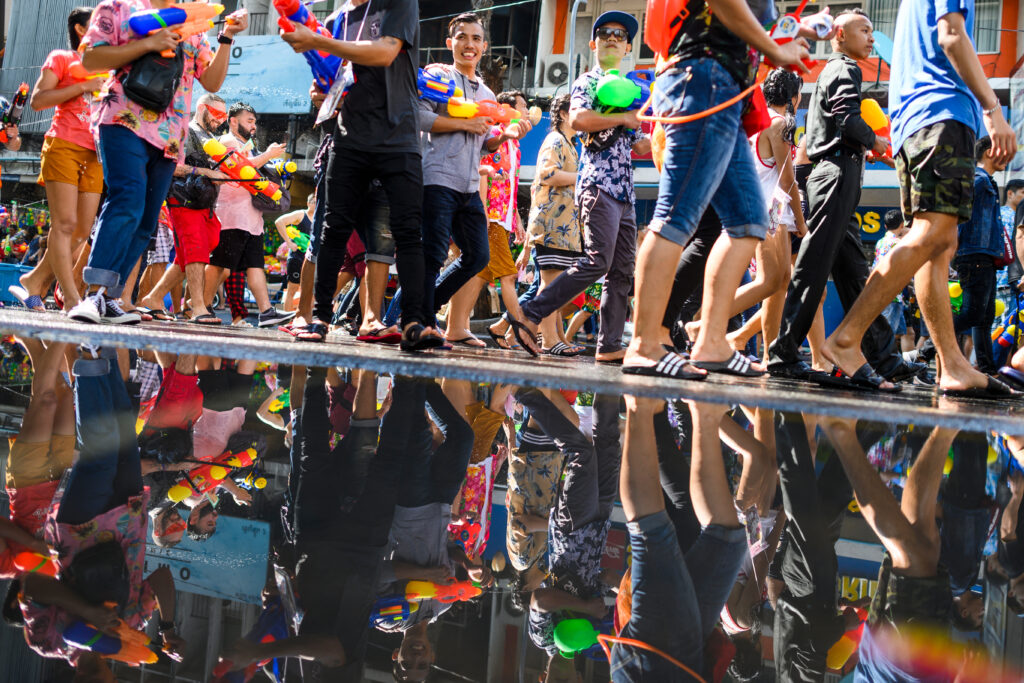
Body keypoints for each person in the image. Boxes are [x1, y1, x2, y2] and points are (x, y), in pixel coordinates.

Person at [821, 0, 1017, 398]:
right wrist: (993, 108)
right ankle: (847, 338)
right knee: (932, 234)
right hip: (941, 113)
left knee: (940, 244)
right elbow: (952, 35)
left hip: (919, 118)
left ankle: (951, 364)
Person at [624, 1, 809, 380]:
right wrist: (777, 50)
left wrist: (780, 38)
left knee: (748, 220)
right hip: (703, 79)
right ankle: (643, 344)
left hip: (726, 92)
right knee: (676, 216)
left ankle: (711, 341)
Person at [68, 0, 247, 324]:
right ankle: (93, 293)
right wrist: (149, 43)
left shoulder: (194, 22)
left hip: (169, 138)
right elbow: (92, 57)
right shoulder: (119, 8)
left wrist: (226, 37)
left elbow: (212, 82)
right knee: (128, 200)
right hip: (124, 120)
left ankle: (110, 297)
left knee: (147, 220)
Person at [766, 10, 914, 392]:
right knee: (814, 267)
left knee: (854, 274)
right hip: (835, 173)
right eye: (863, 30)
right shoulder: (845, 68)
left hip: (837, 173)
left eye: (870, 30)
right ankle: (783, 353)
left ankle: (885, 357)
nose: (870, 37)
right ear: (839, 35)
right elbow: (848, 119)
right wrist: (876, 140)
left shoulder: (835, 70)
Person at [280, 0, 437, 350]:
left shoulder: (400, 4)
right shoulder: (336, 19)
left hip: (399, 136)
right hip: (349, 138)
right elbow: (329, 75)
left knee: (408, 231)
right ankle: (319, 317)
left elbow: (385, 52)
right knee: (332, 230)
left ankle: (413, 321)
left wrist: (318, 42)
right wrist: (321, 90)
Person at [519, 12, 649, 365]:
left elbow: (639, 145)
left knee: (622, 270)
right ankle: (530, 313)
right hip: (598, 185)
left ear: (627, 47)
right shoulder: (588, 82)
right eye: (605, 33)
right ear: (594, 44)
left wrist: (661, 131)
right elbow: (578, 120)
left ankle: (608, 345)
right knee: (596, 261)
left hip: (625, 192)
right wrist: (623, 118)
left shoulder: (630, 92)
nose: (612, 38)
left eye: (619, 35)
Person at [417, 13, 536, 353]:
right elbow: (419, 116)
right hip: (437, 179)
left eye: (476, 39)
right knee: (433, 254)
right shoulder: (438, 76)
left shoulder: (486, 91)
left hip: (469, 187)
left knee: (478, 257)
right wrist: (463, 124)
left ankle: (420, 312)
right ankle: (421, 321)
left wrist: (504, 135)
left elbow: (485, 142)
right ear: (449, 43)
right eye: (462, 37)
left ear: (484, 46)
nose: (469, 44)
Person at [609, 397, 747, 681]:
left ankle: (639, 399)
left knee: (655, 531)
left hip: (657, 669)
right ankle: (701, 411)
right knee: (728, 539)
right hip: (680, 662)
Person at [13, 7, 100, 314]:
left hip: (97, 153)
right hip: (63, 144)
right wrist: (81, 87)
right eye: (99, 24)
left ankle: (34, 281)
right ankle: (71, 298)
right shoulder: (62, 58)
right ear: (80, 28)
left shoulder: (110, 66)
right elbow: (37, 101)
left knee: (80, 231)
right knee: (65, 224)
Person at [443, 90, 533, 348]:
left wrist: (515, 218)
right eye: (522, 106)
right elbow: (482, 170)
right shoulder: (495, 134)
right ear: (505, 108)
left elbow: (511, 186)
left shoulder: (514, 143)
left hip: (502, 218)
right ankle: (520, 332)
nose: (526, 111)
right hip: (490, 217)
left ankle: (456, 327)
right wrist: (480, 210)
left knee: (479, 275)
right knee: (507, 275)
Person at [494, 94, 581, 354]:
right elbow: (547, 174)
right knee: (550, 284)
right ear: (564, 114)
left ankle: (548, 338)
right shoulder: (556, 140)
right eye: (577, 110)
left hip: (563, 224)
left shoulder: (569, 142)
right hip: (552, 222)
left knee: (554, 284)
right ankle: (550, 339)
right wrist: (582, 176)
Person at [138, 94, 230, 324]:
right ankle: (197, 307)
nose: (221, 120)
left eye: (224, 116)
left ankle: (154, 298)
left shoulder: (209, 136)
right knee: (196, 250)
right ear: (202, 108)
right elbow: (173, 166)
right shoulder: (185, 130)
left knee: (201, 246)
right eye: (217, 114)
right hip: (183, 200)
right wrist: (209, 173)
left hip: (204, 203)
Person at [204, 101, 293, 327]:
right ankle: (201, 307)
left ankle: (266, 312)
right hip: (231, 216)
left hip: (252, 218)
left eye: (254, 122)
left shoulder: (249, 145)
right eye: (249, 121)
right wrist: (267, 154)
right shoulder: (226, 141)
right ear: (233, 121)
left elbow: (253, 166)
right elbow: (240, 170)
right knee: (219, 266)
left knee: (255, 266)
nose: (253, 126)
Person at [950, 137, 1007, 375]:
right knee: (973, 313)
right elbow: (960, 217)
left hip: (984, 255)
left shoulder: (986, 181)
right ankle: (926, 349)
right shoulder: (978, 180)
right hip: (974, 253)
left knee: (985, 317)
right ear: (989, 152)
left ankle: (987, 369)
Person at [275, 192, 316, 312]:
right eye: (313, 201)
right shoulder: (300, 214)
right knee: (292, 289)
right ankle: (287, 319)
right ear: (308, 203)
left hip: (312, 260)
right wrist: (289, 243)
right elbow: (279, 221)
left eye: (318, 201)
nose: (316, 204)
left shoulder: (321, 218)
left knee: (310, 291)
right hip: (297, 258)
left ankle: (304, 318)